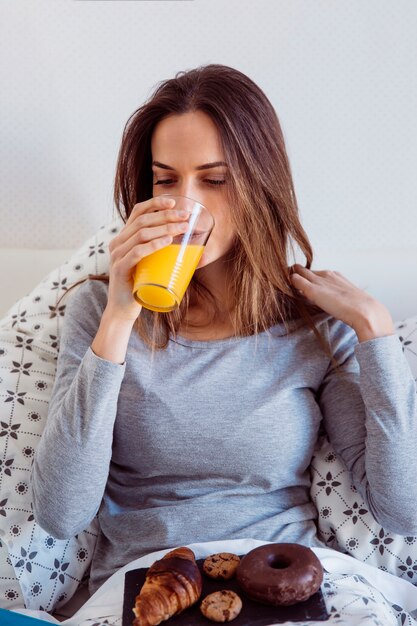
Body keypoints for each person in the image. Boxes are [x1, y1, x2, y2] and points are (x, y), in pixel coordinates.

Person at [31, 64, 417, 602]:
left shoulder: (314, 325)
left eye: (215, 180)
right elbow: (59, 512)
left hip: (290, 589)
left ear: (260, 187)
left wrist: (376, 335)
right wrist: (120, 319)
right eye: (166, 179)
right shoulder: (99, 310)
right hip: (147, 591)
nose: (184, 203)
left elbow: (404, 510)